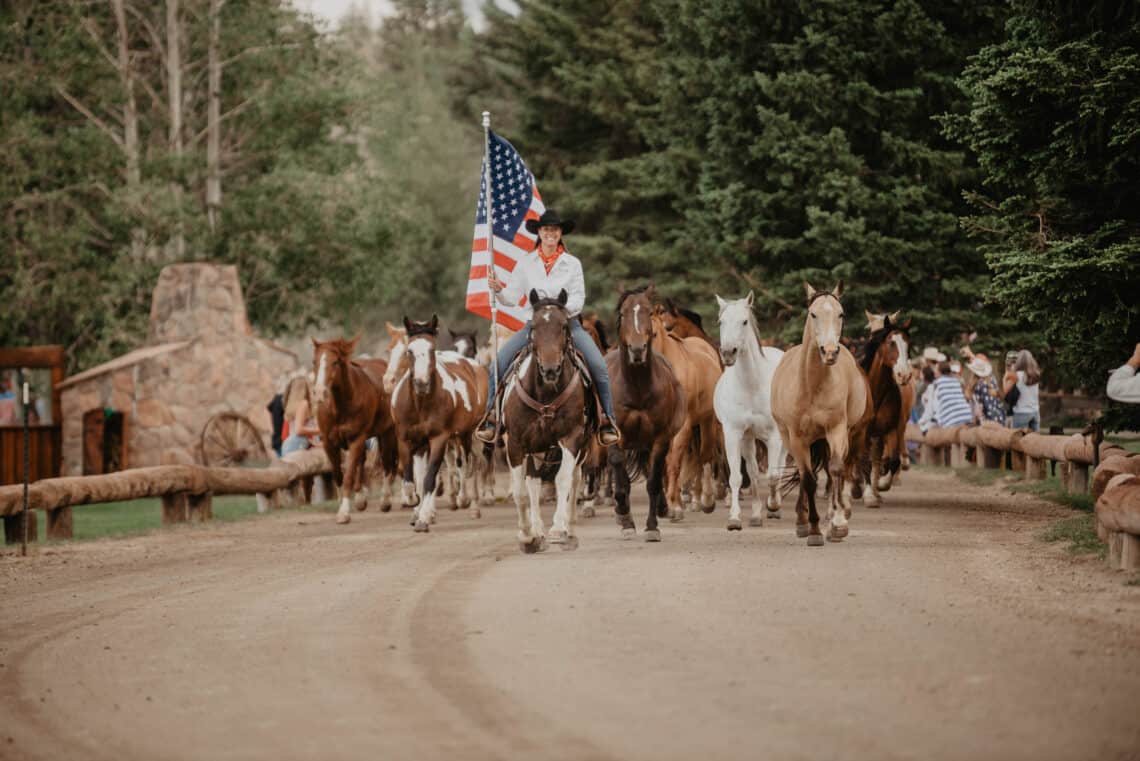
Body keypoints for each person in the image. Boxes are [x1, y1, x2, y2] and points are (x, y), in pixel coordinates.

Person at [476, 209, 621, 446]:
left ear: (560, 233)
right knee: (497, 365)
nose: (550, 233)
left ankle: (606, 419)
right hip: (534, 326)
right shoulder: (526, 262)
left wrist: (556, 311)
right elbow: (512, 297)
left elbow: (578, 298)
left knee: (599, 366)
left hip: (567, 324)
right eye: (545, 229)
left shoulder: (572, 264)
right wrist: (498, 289)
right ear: (540, 233)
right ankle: (491, 417)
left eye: (554, 229)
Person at [919, 362, 973, 432]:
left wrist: (922, 424)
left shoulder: (935, 386)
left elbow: (933, 410)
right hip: (967, 415)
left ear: (939, 372)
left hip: (952, 421)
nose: (934, 371)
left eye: (936, 368)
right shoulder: (956, 381)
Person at [1002, 349, 1041, 431]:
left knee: (1018, 441)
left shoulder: (1016, 375)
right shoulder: (1036, 375)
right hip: (1035, 412)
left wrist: (1005, 377)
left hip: (1021, 412)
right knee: (1034, 441)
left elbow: (1005, 391)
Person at [281, 377, 319, 456]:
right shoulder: (304, 403)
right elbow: (298, 430)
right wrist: (320, 430)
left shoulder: (291, 406)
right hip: (297, 444)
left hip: (288, 445)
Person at [967, 354, 1006, 424]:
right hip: (999, 416)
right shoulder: (992, 379)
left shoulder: (979, 385)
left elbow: (986, 405)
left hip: (989, 421)